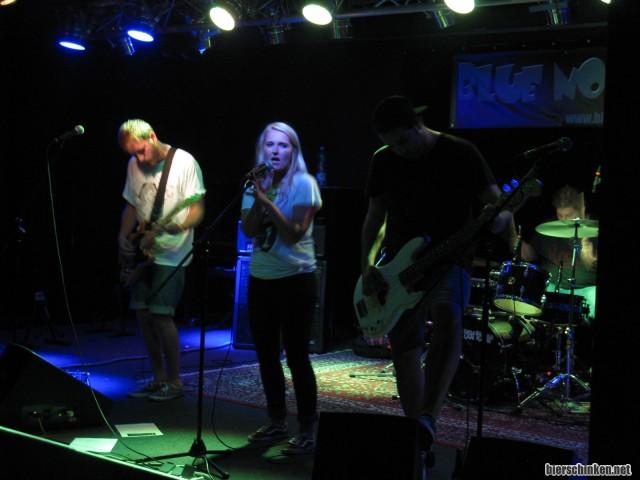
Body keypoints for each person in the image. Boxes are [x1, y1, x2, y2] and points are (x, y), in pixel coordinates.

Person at [360, 95, 509, 466]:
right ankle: (417, 432)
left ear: (417, 125)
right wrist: (367, 266)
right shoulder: (383, 160)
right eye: (391, 144)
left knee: (448, 318)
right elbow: (374, 216)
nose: (399, 150)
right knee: (404, 342)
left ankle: (428, 416)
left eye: (403, 141)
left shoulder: (461, 152)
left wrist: (503, 223)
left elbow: (498, 204)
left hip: (451, 259)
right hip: (399, 266)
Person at [240, 122, 322, 455]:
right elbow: (248, 230)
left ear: (294, 151)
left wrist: (267, 201)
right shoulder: (254, 185)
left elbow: (293, 233)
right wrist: (259, 197)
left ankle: (307, 428)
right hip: (261, 278)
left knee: (297, 355)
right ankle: (276, 421)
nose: (275, 151)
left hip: (296, 279)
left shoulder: (305, 184)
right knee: (266, 355)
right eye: (270, 145)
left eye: (283, 145)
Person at [117, 119, 206, 401]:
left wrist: (175, 227)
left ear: (153, 136)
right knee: (144, 316)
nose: (139, 158)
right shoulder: (134, 165)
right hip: (145, 252)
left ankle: (175, 382)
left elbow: (197, 209)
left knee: (161, 316)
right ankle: (158, 379)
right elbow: (132, 205)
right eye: (133, 154)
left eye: (141, 150)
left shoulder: (184, 162)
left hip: (173, 253)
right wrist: (123, 236)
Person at [514, 184, 597, 323]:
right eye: (560, 215)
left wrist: (587, 252)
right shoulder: (548, 227)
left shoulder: (595, 231)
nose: (563, 220)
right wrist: (512, 235)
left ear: (581, 211)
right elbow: (531, 257)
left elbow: (591, 266)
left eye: (568, 215)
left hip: (586, 290)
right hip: (552, 287)